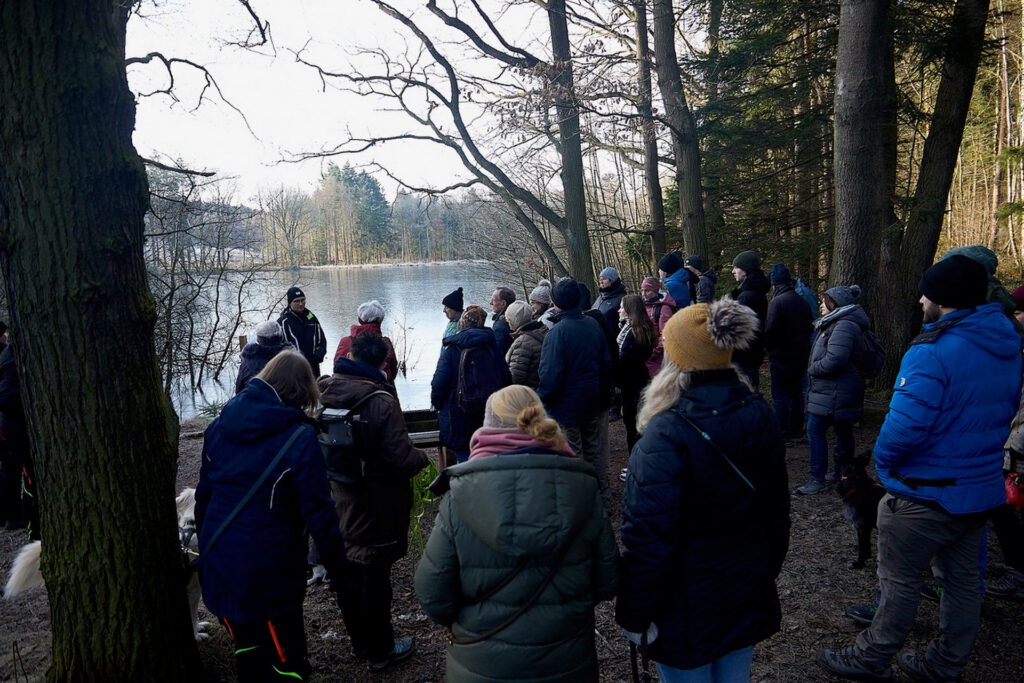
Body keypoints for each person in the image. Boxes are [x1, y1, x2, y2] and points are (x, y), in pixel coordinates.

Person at [818, 255, 1022, 682]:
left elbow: (904, 427)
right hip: (979, 489)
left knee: (899, 581)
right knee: (965, 583)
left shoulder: (932, 351)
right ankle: (945, 664)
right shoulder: (1006, 344)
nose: (920, 299)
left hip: (925, 491)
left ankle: (871, 658)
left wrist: (885, 466)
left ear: (943, 300)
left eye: (926, 292)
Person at [617, 298, 790, 683]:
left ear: (677, 357)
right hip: (745, 588)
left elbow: (648, 538)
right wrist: (762, 575)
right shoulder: (758, 411)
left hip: (686, 604)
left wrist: (634, 612)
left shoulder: (665, 434)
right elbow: (777, 513)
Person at [415, 385, 619, 682]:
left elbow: (432, 590)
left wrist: (461, 622)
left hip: (482, 662)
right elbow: (608, 579)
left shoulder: (460, 494)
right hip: (567, 659)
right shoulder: (582, 487)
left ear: (488, 426)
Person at [195, 350, 346, 682]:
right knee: (287, 662)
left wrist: (207, 553)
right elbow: (320, 512)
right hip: (269, 573)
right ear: (301, 390)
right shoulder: (299, 437)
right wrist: (340, 570)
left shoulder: (219, 426)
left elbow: (204, 498)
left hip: (220, 563)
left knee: (248, 648)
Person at [318, 335, 429, 671]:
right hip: (377, 502)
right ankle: (381, 650)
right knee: (375, 578)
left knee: (350, 573)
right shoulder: (380, 400)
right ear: (383, 364)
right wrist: (421, 459)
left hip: (339, 497)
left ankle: (360, 643)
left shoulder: (323, 390)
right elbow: (400, 456)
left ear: (350, 355)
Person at [538, 277, 613, 502]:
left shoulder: (556, 333)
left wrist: (542, 399)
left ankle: (582, 504)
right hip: (591, 400)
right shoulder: (592, 324)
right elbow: (606, 364)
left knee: (573, 455)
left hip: (567, 407)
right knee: (594, 451)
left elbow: (550, 377)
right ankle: (602, 498)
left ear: (557, 302)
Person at [796, 284, 869, 495]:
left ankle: (817, 478)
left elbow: (835, 359)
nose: (820, 305)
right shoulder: (838, 323)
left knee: (816, 430)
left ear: (834, 303)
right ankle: (841, 473)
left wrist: (813, 368)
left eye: (823, 301)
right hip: (835, 391)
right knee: (842, 432)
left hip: (834, 391)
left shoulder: (844, 325)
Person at [431, 305, 511, 463]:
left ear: (462, 323)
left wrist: (438, 404)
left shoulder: (452, 349)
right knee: (488, 457)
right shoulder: (493, 347)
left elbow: (439, 383)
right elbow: (506, 380)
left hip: (457, 413)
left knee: (464, 458)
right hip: (489, 413)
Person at [764, 264, 813, 442]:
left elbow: (770, 331)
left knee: (780, 394)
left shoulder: (777, 302)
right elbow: (809, 327)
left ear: (774, 285)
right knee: (796, 392)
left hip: (781, 356)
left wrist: (768, 349)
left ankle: (782, 431)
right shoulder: (802, 301)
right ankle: (796, 428)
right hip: (800, 355)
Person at [0, 340, 34, 536]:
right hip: (12, 428)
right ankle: (13, 516)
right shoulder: (9, 355)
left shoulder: (7, 353)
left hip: (9, 425)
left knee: (11, 471)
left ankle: (11, 515)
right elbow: (6, 396)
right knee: (12, 471)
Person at [616, 294, 656, 452]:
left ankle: (634, 459)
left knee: (632, 424)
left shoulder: (631, 334)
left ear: (629, 310)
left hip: (630, 383)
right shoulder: (644, 329)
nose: (619, 310)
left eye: (621, 307)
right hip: (641, 378)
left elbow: (624, 359)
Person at [729, 250, 770, 389]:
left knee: (746, 392)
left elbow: (737, 326)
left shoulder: (747, 296)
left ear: (746, 270)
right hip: (751, 353)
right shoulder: (752, 292)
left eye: (736, 267)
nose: (733, 271)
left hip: (743, 354)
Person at [333, 300, 399, 384]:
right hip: (380, 391)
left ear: (360, 320)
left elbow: (336, 367)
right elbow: (393, 373)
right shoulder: (385, 342)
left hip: (345, 391)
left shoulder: (345, 342)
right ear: (380, 321)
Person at [277, 286, 327, 376]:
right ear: (290, 303)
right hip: (292, 369)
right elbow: (278, 347)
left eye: (302, 300)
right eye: (296, 301)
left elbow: (322, 341)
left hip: (312, 367)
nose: (301, 304)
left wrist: (317, 357)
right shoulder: (283, 322)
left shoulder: (311, 318)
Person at [235, 320, 293, 394]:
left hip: (249, 403)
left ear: (259, 339)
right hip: (282, 404)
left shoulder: (249, 359)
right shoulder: (290, 359)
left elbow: (239, 389)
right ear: (281, 337)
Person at [505, 300, 547, 389]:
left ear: (513, 321)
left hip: (527, 394)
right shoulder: (541, 331)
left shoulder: (522, 342)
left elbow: (515, 377)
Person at [640, 276, 677, 378]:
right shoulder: (643, 306)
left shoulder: (664, 308)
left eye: (647, 291)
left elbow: (665, 335)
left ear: (656, 290)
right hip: (645, 355)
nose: (644, 294)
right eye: (642, 291)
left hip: (658, 357)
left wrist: (653, 353)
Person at [595, 266, 627, 330]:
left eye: (604, 279)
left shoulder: (622, 299)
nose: (601, 282)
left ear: (612, 280)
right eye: (600, 279)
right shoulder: (600, 298)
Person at [489, 286, 516, 358]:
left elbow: (497, 354)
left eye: (493, 300)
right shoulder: (517, 318)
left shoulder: (500, 327)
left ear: (503, 303)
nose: (491, 303)